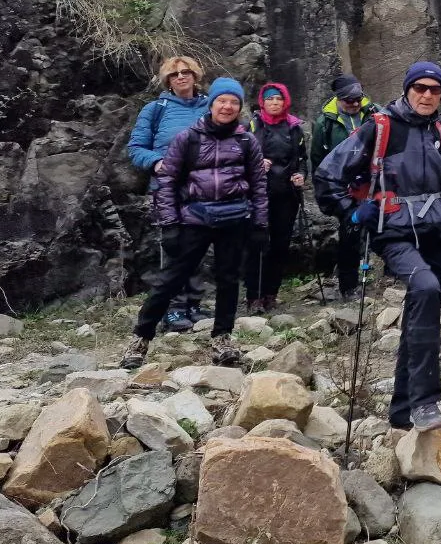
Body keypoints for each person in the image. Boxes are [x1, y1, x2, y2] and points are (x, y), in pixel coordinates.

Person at [314, 61, 441, 431]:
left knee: (421, 311)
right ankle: (427, 403)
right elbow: (327, 174)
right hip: (393, 233)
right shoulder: (380, 127)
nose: (428, 95)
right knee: (427, 290)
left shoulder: (440, 131)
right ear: (408, 89)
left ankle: (401, 412)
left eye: (435, 90)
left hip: (435, 233)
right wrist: (352, 212)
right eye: (421, 88)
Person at [120, 78, 268, 369]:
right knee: (170, 280)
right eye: (222, 101)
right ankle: (140, 338)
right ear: (211, 103)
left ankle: (222, 339)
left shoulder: (246, 141)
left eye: (233, 102)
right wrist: (170, 225)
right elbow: (167, 182)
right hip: (194, 219)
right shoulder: (187, 138)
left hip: (233, 219)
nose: (227, 107)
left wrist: (261, 226)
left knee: (228, 280)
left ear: (239, 108)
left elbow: (258, 185)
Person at [126, 56, 211, 333]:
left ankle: (194, 303)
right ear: (167, 81)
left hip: (204, 187)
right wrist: (157, 162)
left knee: (199, 246)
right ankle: (174, 308)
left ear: (195, 76)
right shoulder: (155, 110)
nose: (181, 77)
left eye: (186, 72)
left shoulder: (210, 106)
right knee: (172, 247)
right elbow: (136, 147)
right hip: (168, 189)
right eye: (175, 75)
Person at [311, 74, 378, 300]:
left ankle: (385, 276)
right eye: (349, 100)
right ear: (338, 98)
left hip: (373, 182)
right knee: (349, 233)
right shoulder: (325, 122)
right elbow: (319, 159)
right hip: (344, 189)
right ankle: (348, 286)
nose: (355, 104)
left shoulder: (373, 114)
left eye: (358, 99)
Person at [245, 83, 307, 313]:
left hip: (286, 194)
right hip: (258, 194)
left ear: (285, 101)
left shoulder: (294, 127)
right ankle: (254, 297)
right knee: (257, 244)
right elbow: (238, 158)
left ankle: (271, 294)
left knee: (280, 245)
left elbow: (302, 159)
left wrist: (302, 175)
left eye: (278, 99)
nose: (274, 102)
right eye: (270, 98)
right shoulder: (252, 126)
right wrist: (256, 164)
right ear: (262, 101)